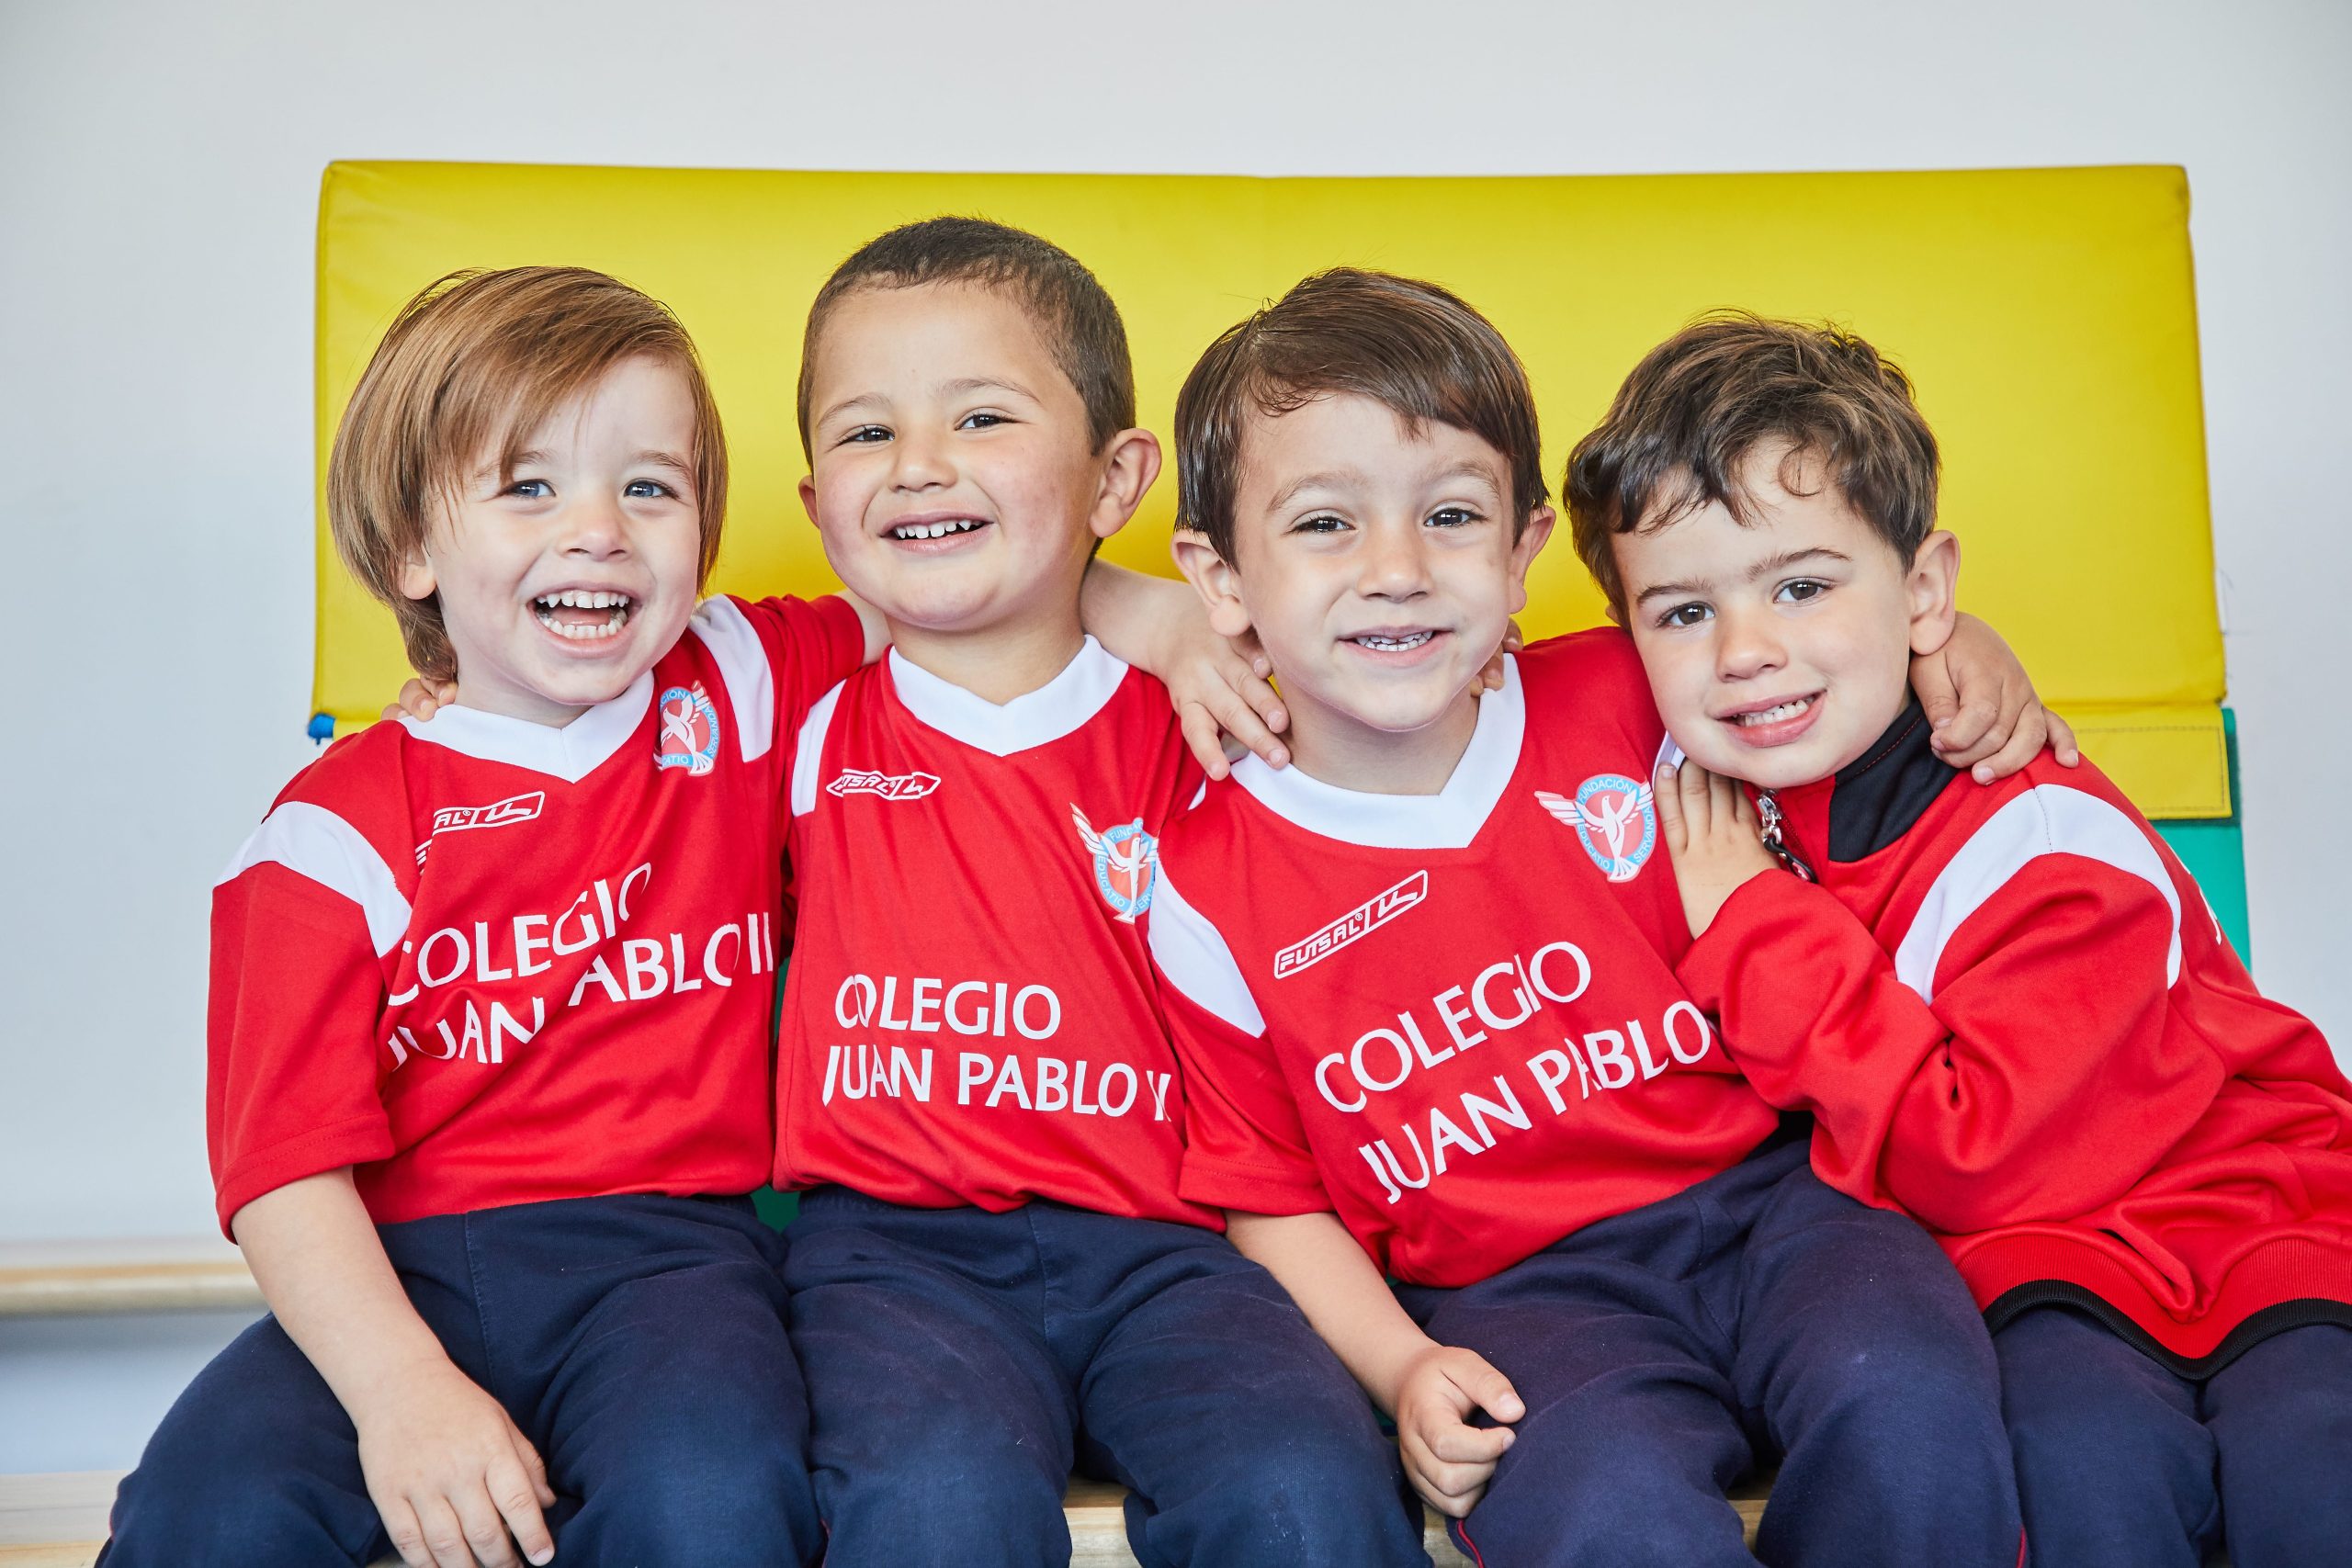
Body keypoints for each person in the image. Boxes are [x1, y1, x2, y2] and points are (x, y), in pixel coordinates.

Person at [1147, 269, 2049, 1566]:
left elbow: (1814, 655)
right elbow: (1271, 1197)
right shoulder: (1203, 881)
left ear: (1522, 553)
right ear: (1219, 578)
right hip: (1517, 1297)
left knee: (1907, 1403)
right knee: (1607, 1515)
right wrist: (1404, 1369)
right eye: (1327, 526)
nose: (1397, 572)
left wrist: (1956, 652)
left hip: (1783, 1211)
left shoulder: (1639, 693)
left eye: (1450, 515)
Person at [103, 266, 888, 1568]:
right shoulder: (332, 829)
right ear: (412, 543)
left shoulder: (740, 681)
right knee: (207, 1515)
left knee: (713, 1497)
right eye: (529, 486)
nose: (600, 529)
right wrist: (403, 1394)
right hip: (392, 1274)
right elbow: (283, 1170)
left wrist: (1156, 615)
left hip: (671, 1269)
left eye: (650, 486)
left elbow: (979, 597)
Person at [1569, 310, 2352, 1568]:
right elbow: (1403, 666)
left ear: (1924, 588)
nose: (1747, 650)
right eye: (1680, 612)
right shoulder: (1693, 761)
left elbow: (1973, 1153)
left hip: (2251, 1222)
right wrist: (1144, 609)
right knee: (2082, 1479)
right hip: (2036, 1268)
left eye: (1804, 587)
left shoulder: (2040, 840)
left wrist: (1756, 921)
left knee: (2315, 1481)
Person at [771, 219, 1430, 1568]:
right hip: (892, 1263)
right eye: (863, 433)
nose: (918, 467)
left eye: (982, 415)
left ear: (1117, 475)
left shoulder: (1227, 706)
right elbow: (565, 678)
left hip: (1176, 1256)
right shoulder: (786, 708)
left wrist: (1175, 620)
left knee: (1307, 1488)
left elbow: (1469, 682)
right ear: (817, 504)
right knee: (933, 1510)